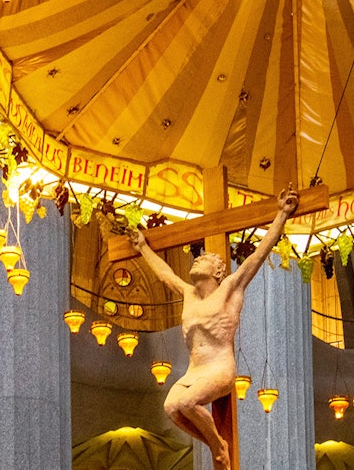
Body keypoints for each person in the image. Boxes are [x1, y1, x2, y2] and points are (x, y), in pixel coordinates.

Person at [128, 187, 299, 470]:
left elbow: (257, 256)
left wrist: (282, 213)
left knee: (188, 402)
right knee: (171, 407)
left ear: (218, 271)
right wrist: (143, 247)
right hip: (194, 370)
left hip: (219, 367)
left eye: (203, 259)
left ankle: (219, 450)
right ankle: (217, 444)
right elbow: (164, 274)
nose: (196, 259)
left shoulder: (230, 288)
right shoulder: (187, 293)